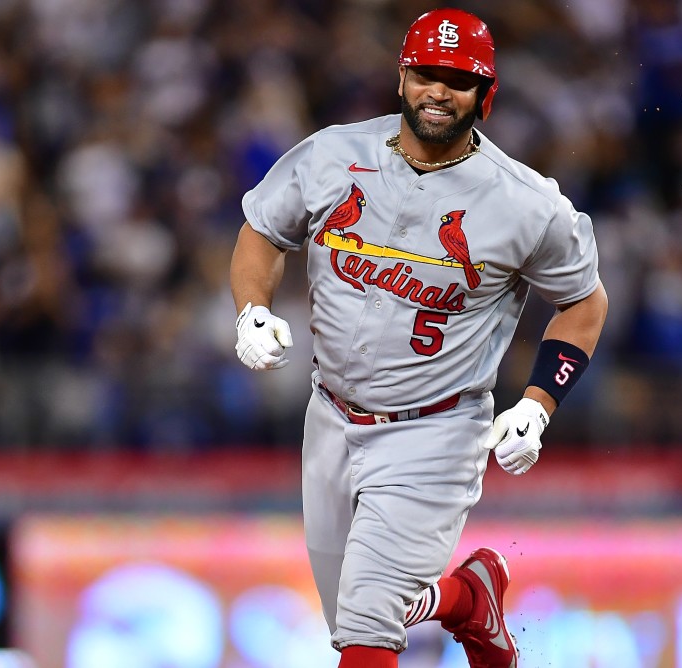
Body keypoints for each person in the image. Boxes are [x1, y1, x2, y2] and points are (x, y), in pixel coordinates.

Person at [229, 8, 607, 667]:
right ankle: (467, 597)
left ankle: (456, 598)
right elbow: (263, 230)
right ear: (402, 79)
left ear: (484, 96)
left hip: (435, 431)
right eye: (428, 74)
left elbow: (583, 301)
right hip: (331, 412)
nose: (440, 91)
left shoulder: (525, 202)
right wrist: (250, 310)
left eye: (459, 80)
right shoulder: (332, 155)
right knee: (353, 615)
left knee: (368, 622)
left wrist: (538, 404)